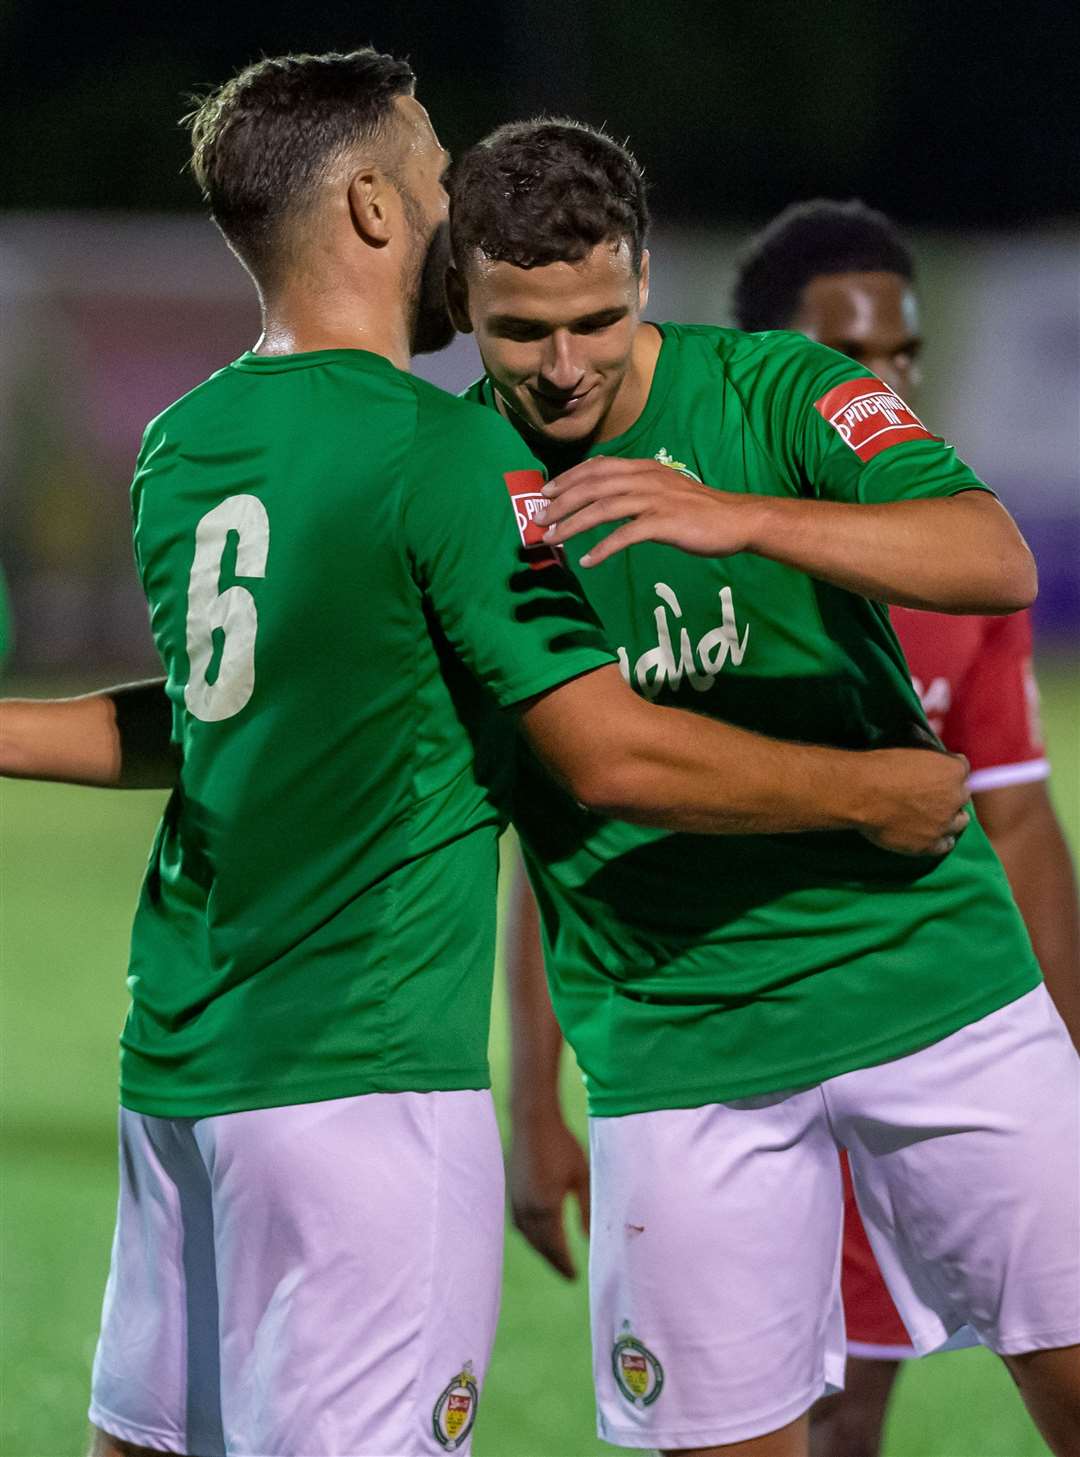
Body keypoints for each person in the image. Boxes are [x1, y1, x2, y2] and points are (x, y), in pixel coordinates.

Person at [0, 57, 975, 1457]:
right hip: (366, 1091)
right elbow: (610, 754)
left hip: (182, 1074)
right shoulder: (447, 455)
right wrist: (875, 791)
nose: (467, 198)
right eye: (442, 167)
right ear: (374, 206)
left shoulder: (185, 445)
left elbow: (227, 708)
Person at [444, 120, 1080, 1457]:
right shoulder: (450, 485)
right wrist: (535, 1098)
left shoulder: (780, 389)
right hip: (681, 1043)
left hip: (929, 981)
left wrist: (741, 513)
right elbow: (571, 792)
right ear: (463, 304)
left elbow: (993, 554)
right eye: (522, 333)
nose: (565, 368)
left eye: (599, 322)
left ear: (648, 274)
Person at [730, 196, 1080, 1457]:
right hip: (749, 1053)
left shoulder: (955, 554)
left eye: (906, 354)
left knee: (922, 1381)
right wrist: (543, 1104)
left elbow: (1023, 822)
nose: (891, 383)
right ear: (765, 363)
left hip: (929, 1034)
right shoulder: (691, 546)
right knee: (809, 1408)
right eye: (852, 357)